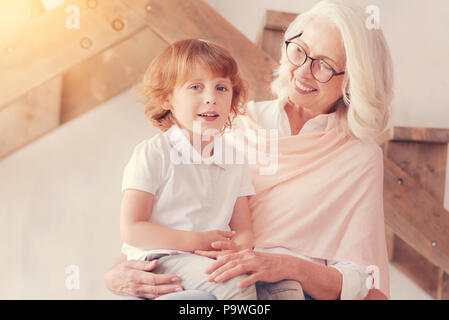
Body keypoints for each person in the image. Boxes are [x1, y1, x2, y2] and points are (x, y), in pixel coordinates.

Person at [105, 0, 393, 300]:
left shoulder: (358, 158)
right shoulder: (232, 126)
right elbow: (159, 226)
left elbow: (370, 290)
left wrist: (287, 266)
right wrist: (114, 275)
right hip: (207, 277)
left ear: (352, 80)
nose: (303, 72)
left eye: (323, 65)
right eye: (300, 51)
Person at [118, 39, 303, 300]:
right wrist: (199, 241)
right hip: (164, 258)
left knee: (287, 289)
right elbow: (133, 228)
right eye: (195, 87)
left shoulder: (234, 160)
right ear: (166, 98)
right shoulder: (154, 153)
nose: (211, 98)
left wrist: (234, 250)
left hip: (209, 257)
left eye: (221, 88)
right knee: (233, 283)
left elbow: (244, 230)